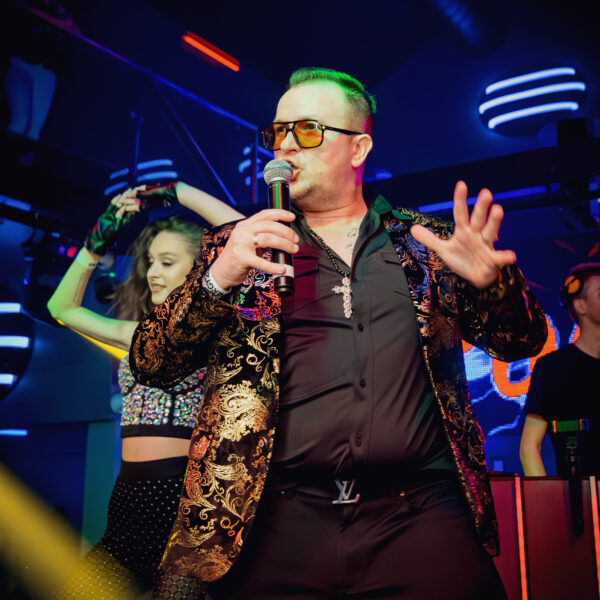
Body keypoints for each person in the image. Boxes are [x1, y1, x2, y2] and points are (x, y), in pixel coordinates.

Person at [130, 68, 548, 600]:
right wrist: (219, 277)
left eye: (307, 130)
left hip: (419, 514)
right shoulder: (238, 247)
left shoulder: (428, 244)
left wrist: (494, 287)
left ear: (359, 148)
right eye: (277, 132)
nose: (284, 145)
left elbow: (522, 343)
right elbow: (152, 363)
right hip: (276, 520)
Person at [47, 183, 242, 599]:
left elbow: (244, 234)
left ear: (201, 267)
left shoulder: (220, 334)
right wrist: (98, 238)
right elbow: (60, 308)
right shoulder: (139, 335)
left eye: (167, 262)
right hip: (127, 502)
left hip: (183, 502)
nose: (153, 272)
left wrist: (177, 190)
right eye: (151, 261)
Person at [520, 262, 600, 477]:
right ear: (581, 305)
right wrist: (543, 495)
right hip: (579, 494)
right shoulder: (552, 369)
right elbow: (529, 447)